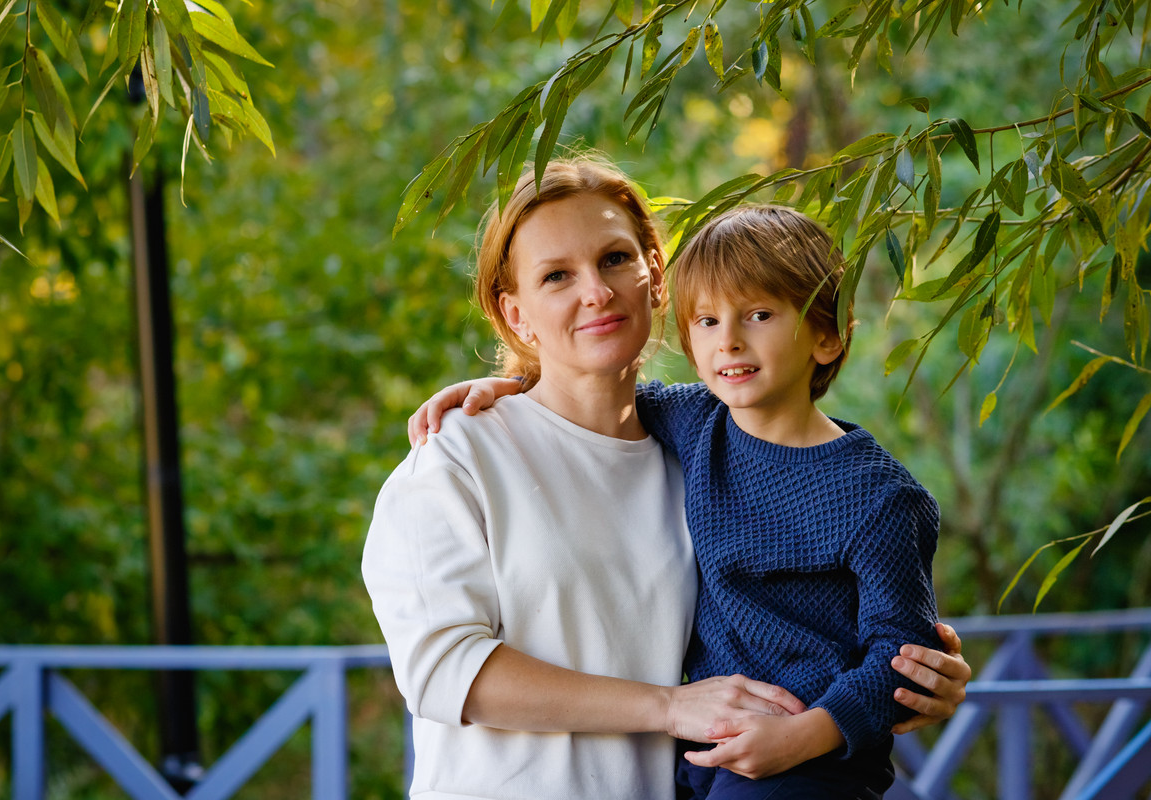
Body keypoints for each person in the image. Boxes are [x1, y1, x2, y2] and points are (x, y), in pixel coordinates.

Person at [368, 156, 970, 800]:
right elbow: (441, 674)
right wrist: (669, 707)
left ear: (655, 277)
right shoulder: (458, 457)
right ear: (516, 316)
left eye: (615, 260)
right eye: (556, 276)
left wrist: (913, 682)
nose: (595, 291)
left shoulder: (701, 447)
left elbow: (823, 530)